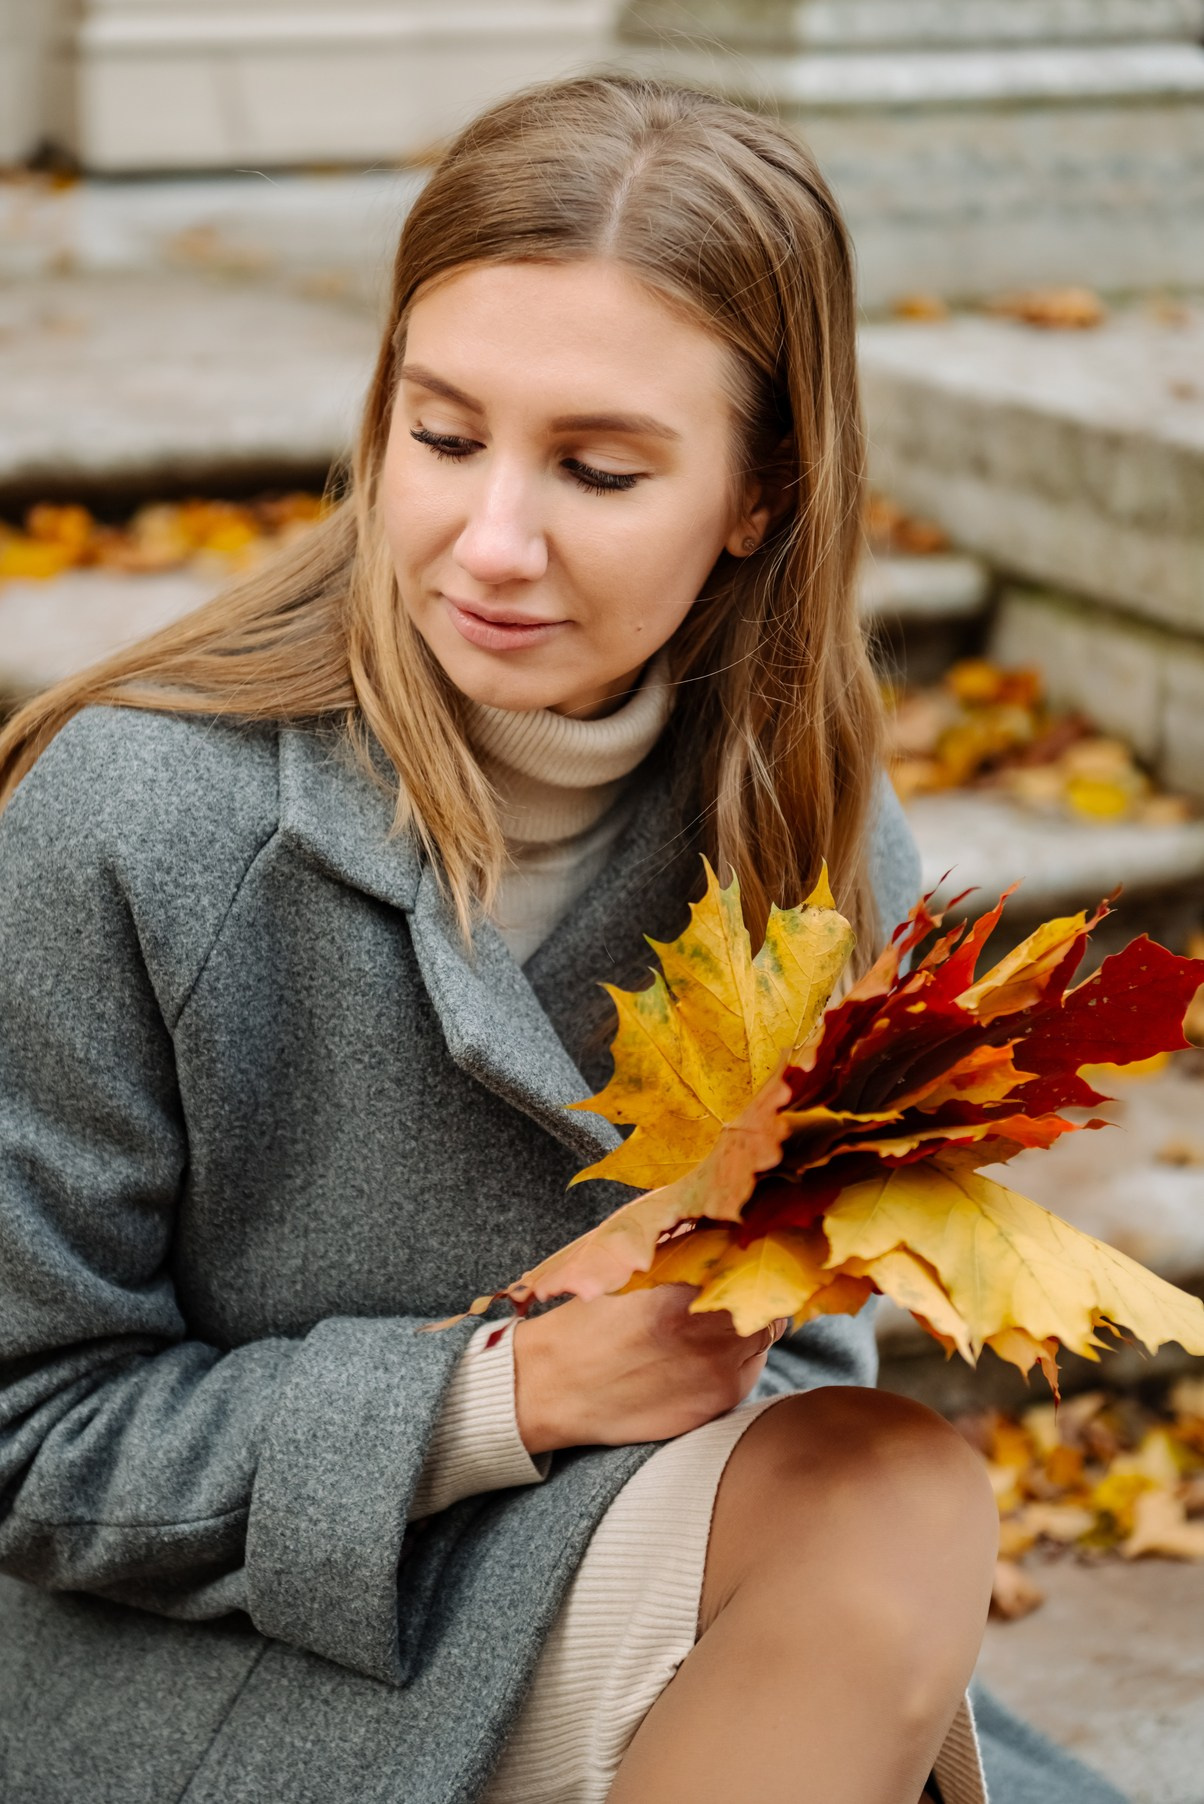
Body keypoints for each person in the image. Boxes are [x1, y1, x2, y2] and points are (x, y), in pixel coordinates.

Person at [0, 74, 1118, 1804]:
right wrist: (496, 1394)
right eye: (444, 438)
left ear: (760, 494)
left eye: (599, 470)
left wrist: (691, 1321)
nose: (492, 543)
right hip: (212, 1652)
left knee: (890, 1487)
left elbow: (802, 1358)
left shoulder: (808, 829)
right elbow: (30, 1436)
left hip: (601, 1577)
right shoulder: (140, 810)